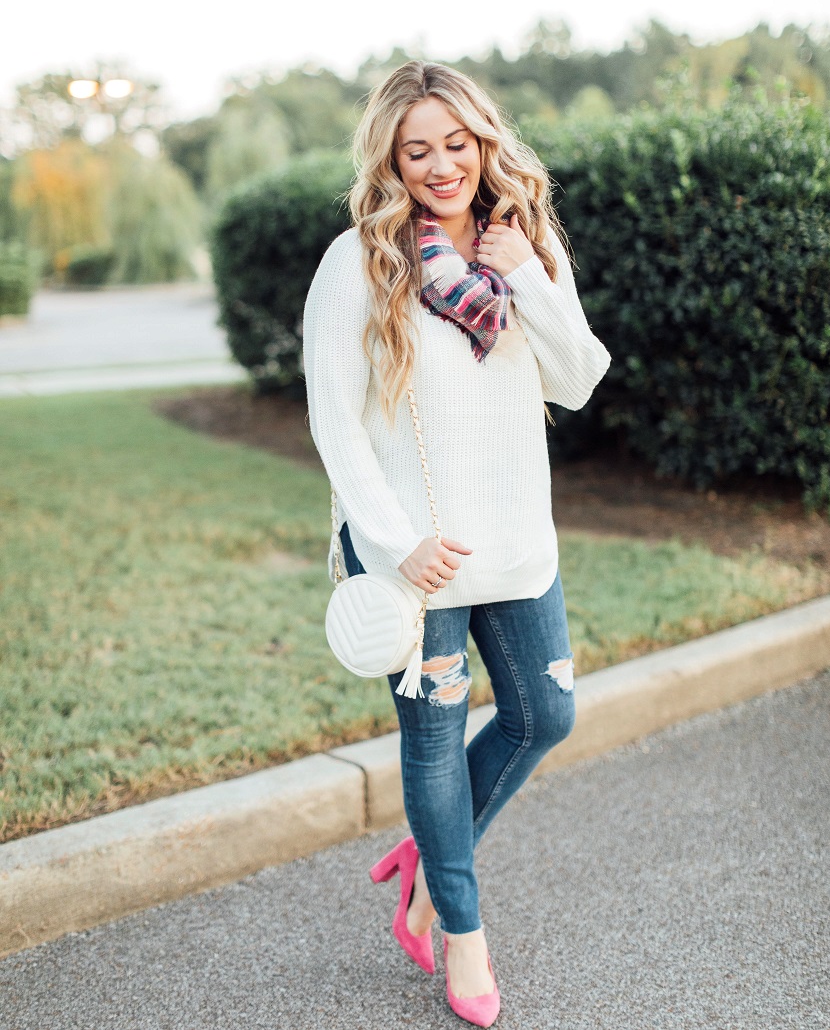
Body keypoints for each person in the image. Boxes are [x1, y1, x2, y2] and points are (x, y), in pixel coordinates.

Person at [302, 60, 611, 1027]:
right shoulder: (359, 261)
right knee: (434, 741)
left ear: (485, 141)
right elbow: (335, 419)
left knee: (544, 715)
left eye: (458, 142)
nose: (442, 164)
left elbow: (578, 379)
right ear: (391, 159)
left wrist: (530, 277)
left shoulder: (523, 244)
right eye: (417, 148)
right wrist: (393, 543)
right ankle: (461, 934)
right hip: (420, 558)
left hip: (520, 547)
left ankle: (428, 860)